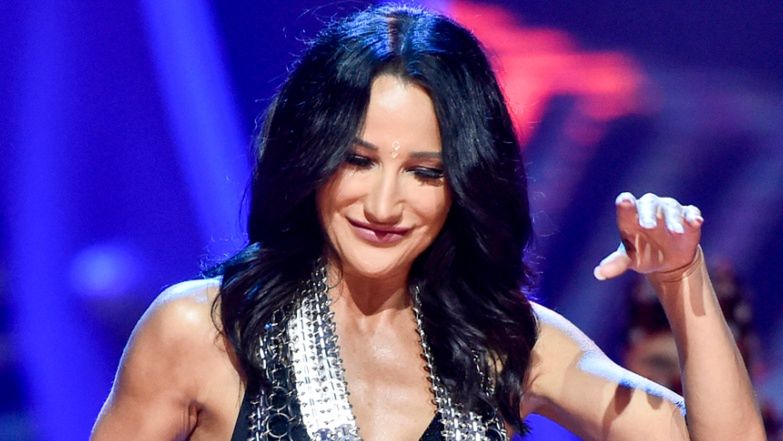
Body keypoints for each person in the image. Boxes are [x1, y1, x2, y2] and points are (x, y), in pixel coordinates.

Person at [91, 5, 764, 440]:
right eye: (358, 161)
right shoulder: (201, 330)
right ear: (311, 157)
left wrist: (681, 278)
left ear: (464, 183)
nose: (384, 205)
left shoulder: (505, 342)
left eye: (424, 172)